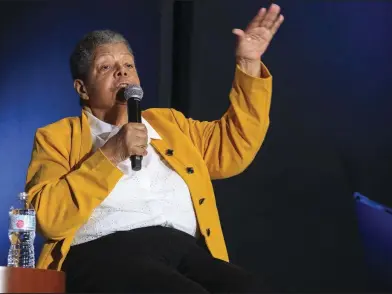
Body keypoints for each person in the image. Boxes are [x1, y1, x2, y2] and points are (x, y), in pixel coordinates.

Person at [25, 4, 284, 293]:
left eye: (128, 65)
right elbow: (48, 218)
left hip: (183, 250)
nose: (122, 72)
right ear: (82, 88)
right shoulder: (57, 137)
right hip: (104, 253)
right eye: (107, 67)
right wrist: (112, 153)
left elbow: (233, 146)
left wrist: (248, 64)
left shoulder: (169, 124)